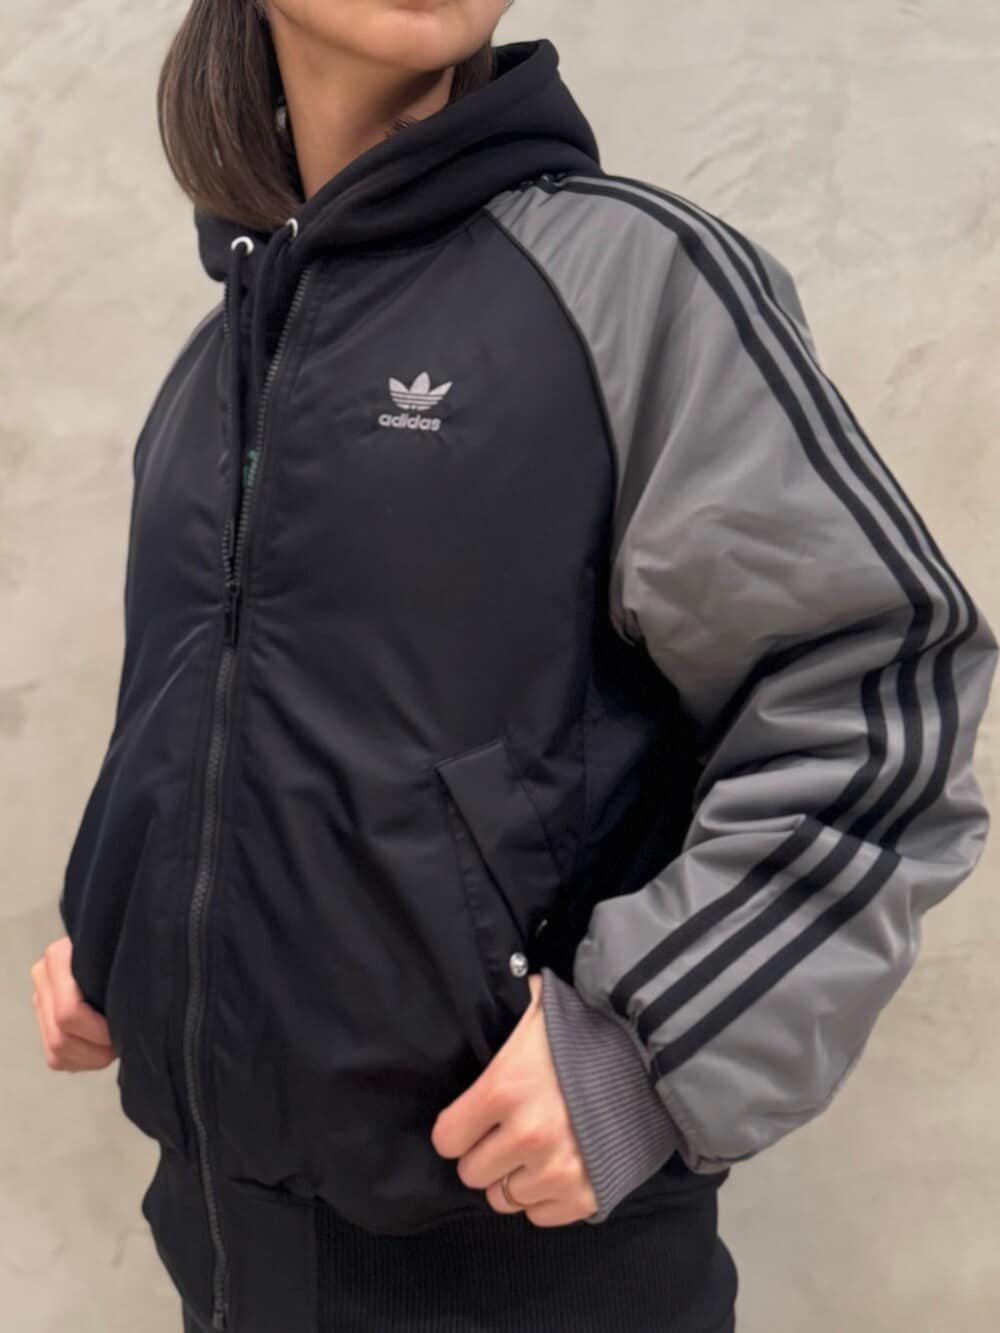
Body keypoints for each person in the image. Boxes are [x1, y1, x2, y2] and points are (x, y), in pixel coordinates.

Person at [29, 3, 997, 1331]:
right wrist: (125, 934)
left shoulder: (635, 286)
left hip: (530, 1275)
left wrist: (644, 1053)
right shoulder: (216, 362)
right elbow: (212, 717)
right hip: (226, 1264)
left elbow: (879, 699)